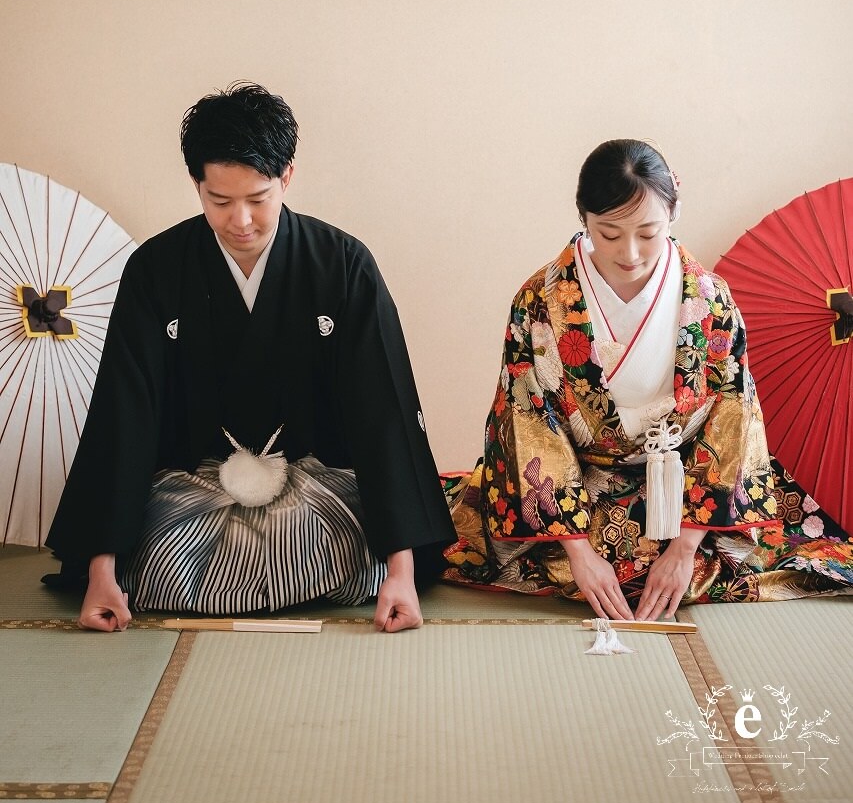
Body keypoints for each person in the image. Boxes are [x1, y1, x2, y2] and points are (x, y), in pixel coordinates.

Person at [46, 83, 454, 632]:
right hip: (192, 495)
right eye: (219, 201)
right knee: (155, 553)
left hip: (316, 494)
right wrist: (101, 571)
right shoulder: (157, 269)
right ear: (197, 185)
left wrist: (401, 571)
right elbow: (125, 415)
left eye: (258, 198)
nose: (240, 220)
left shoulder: (342, 264)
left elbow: (384, 413)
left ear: (287, 176)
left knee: (339, 538)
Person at [443, 139, 853, 617]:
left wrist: (683, 550)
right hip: (580, 486)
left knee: (713, 565)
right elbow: (529, 422)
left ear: (674, 212)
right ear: (583, 218)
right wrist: (579, 552)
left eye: (648, 231)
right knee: (546, 559)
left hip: (682, 493)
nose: (630, 252)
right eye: (609, 233)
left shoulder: (711, 301)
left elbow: (732, 421)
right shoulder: (541, 301)